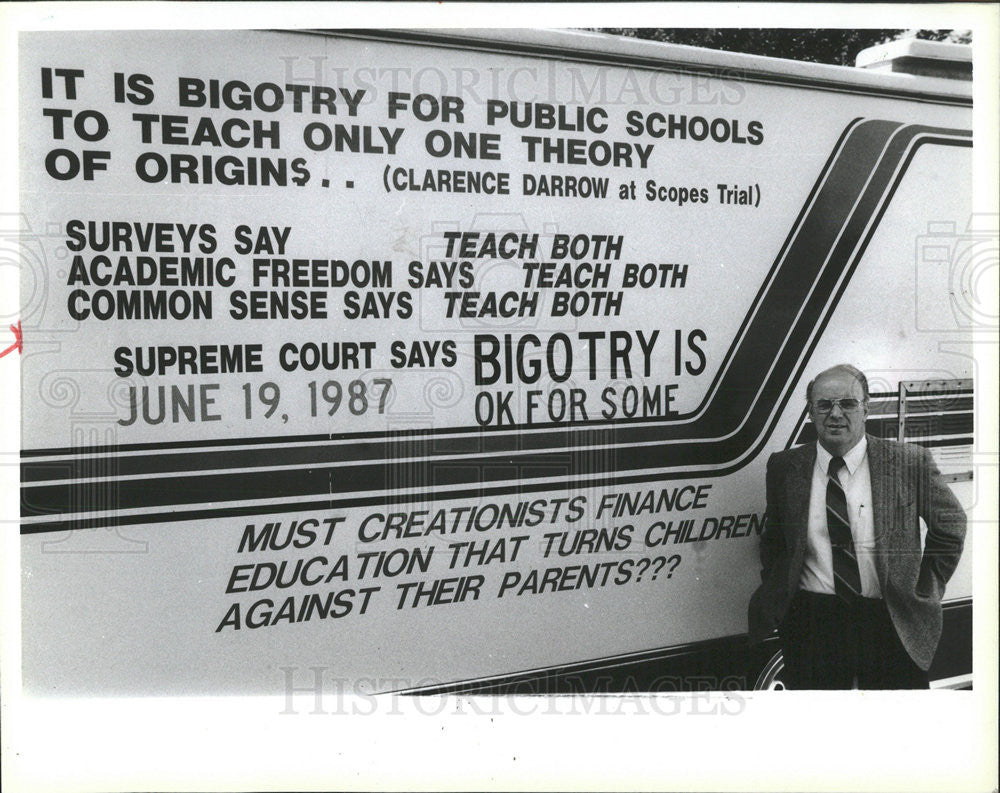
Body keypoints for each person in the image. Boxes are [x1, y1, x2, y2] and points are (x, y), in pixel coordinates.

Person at [747, 364, 966, 689]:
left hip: (889, 620)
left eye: (847, 403)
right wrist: (787, 599)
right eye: (824, 405)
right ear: (811, 412)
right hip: (812, 622)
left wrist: (925, 587)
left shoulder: (909, 462)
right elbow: (775, 541)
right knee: (820, 730)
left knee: (893, 730)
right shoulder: (784, 467)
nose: (835, 414)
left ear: (866, 408)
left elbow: (950, 525)